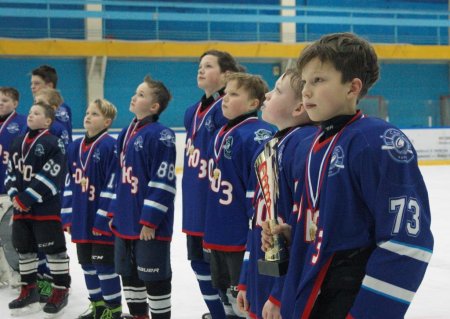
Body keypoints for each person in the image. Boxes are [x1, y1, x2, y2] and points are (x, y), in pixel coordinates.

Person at [262, 32, 434, 318]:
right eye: (305, 82)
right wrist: (296, 237)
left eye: (318, 80)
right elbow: (337, 224)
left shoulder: (378, 141)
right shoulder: (312, 144)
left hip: (351, 297)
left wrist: (369, 313)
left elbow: (407, 241)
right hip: (311, 294)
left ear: (353, 87)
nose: (306, 91)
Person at [236, 69, 317, 319]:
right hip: (263, 274)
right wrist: (246, 279)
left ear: (298, 108)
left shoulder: (302, 145)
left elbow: (296, 229)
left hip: (282, 284)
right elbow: (258, 221)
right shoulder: (272, 145)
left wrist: (279, 294)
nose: (268, 95)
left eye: (278, 91)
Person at [94, 76, 176, 319]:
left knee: (154, 277)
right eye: (136, 92)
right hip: (124, 220)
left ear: (154, 107)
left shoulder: (161, 134)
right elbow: (118, 178)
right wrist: (112, 212)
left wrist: (150, 220)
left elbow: (164, 181)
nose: (134, 96)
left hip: (147, 226)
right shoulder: (126, 133)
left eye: (141, 94)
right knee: (128, 275)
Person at [203, 72, 275, 318]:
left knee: (244, 300)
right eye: (225, 93)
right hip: (219, 232)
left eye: (234, 94)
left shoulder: (258, 134)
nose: (224, 99)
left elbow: (260, 194)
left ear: (254, 103)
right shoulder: (222, 132)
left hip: (240, 238)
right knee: (225, 294)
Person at [182, 50, 241, 319]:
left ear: (227, 75)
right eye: (199, 65)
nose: (200, 69)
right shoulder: (190, 111)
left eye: (208, 65)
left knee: (222, 272)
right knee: (198, 265)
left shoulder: (227, 110)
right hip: (194, 204)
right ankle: (217, 314)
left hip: (216, 206)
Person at [5, 101, 70, 316]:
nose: (30, 116)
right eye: (30, 112)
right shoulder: (17, 142)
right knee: (24, 250)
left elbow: (53, 175)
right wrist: (15, 194)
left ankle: (60, 290)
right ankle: (29, 290)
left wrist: (27, 197)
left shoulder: (54, 142)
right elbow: (10, 172)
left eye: (36, 113)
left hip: (45, 209)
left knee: (54, 250)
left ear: (48, 120)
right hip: (21, 209)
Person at [61, 98, 122, 319]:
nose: (88, 116)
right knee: (87, 265)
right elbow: (68, 182)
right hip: (80, 218)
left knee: (104, 266)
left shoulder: (110, 146)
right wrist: (67, 215)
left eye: (95, 114)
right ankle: (98, 308)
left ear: (107, 121)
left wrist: (104, 217)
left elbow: (114, 185)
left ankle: (113, 311)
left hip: (101, 222)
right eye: (87, 112)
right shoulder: (74, 146)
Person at [0, 87, 27, 288]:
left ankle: (17, 275)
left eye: (5, 100)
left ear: (15, 103)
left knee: (9, 236)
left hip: (10, 191)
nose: (1, 103)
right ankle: (2, 275)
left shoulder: (22, 123)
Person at [31, 64, 73, 143]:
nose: (32, 87)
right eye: (31, 83)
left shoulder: (60, 108)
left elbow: (63, 136)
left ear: (49, 86)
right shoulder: (36, 107)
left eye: (36, 83)